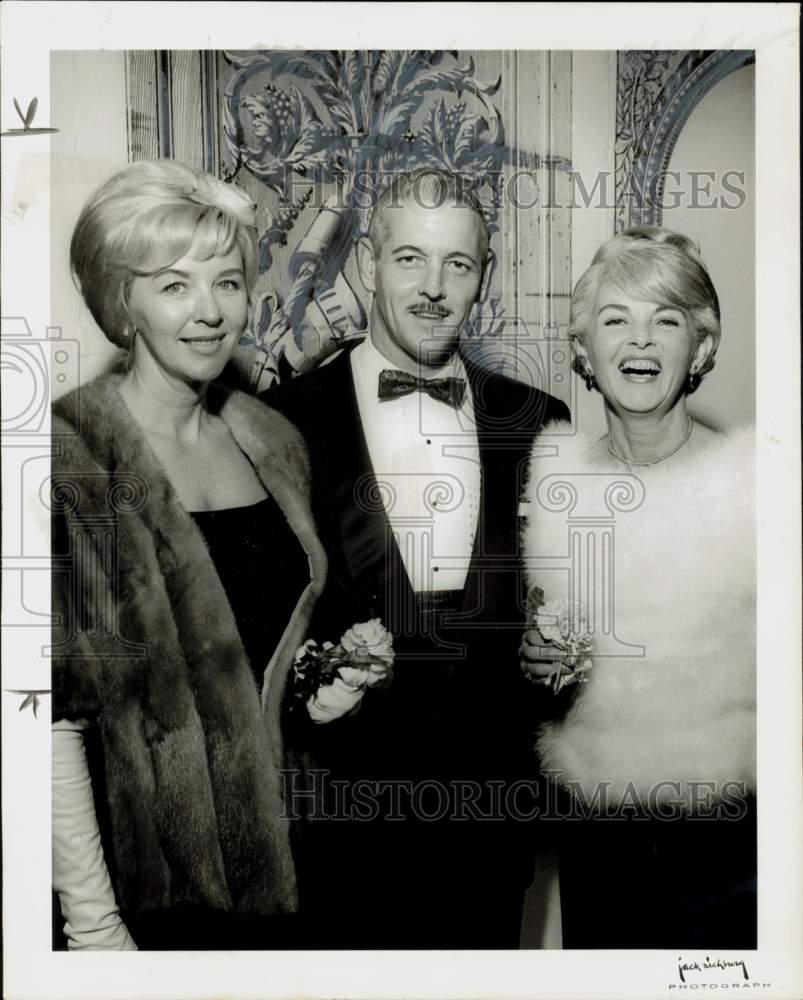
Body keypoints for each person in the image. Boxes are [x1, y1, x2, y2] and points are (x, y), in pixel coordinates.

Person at [267, 168, 570, 949]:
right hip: (337, 837)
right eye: (409, 259)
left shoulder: (540, 423)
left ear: (484, 277)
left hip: (489, 839)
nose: (433, 288)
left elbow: (563, 618)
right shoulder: (277, 424)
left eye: (457, 264)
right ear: (369, 263)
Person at [51, 159, 330, 950]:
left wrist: (325, 686)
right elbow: (50, 718)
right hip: (151, 898)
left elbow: (265, 652)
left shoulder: (272, 439)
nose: (209, 313)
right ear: (123, 301)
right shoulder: (69, 458)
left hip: (296, 871)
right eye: (174, 285)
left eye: (228, 282)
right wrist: (94, 924)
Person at [520, 226, 756, 948]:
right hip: (595, 834)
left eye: (666, 319)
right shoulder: (552, 480)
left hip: (730, 838)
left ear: (702, 348)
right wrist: (535, 661)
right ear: (583, 353)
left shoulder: (756, 481)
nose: (640, 342)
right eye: (614, 320)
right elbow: (541, 645)